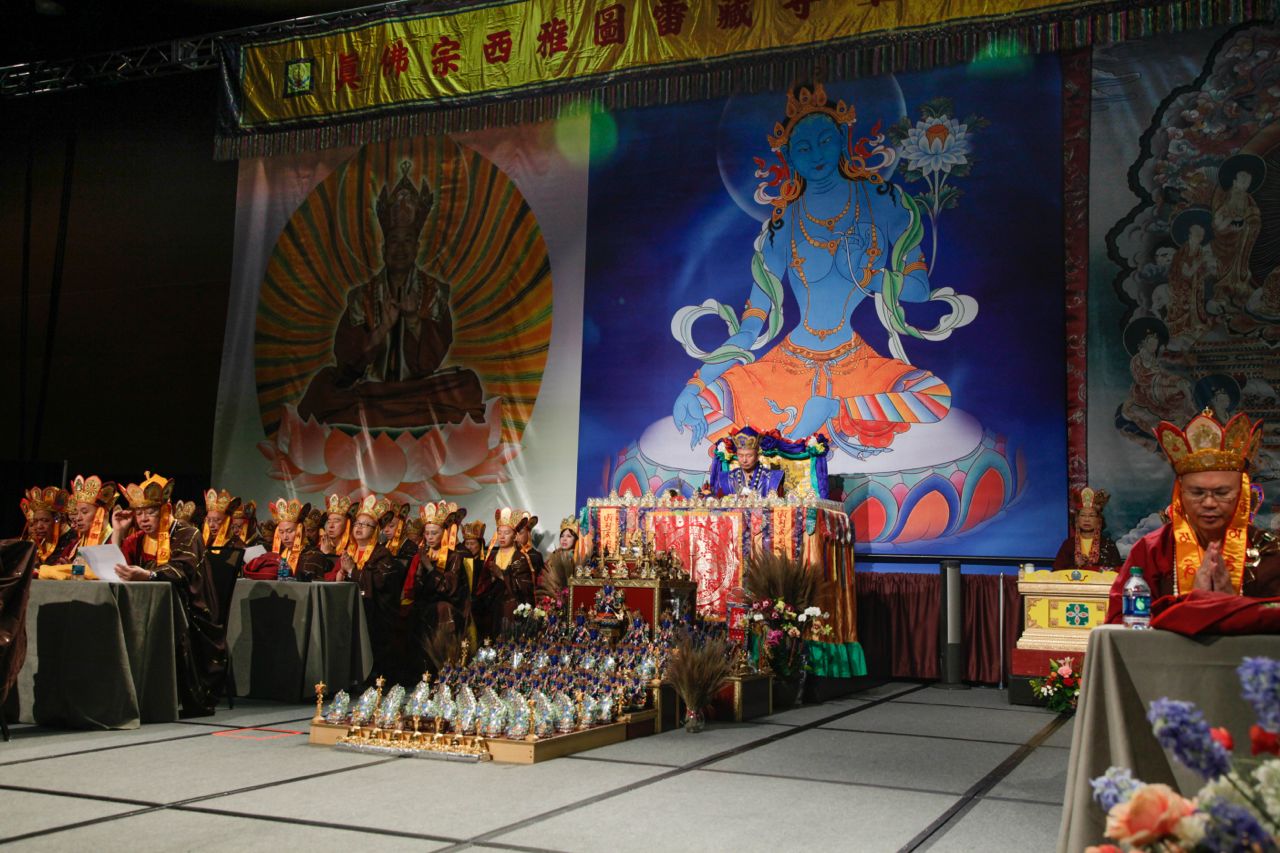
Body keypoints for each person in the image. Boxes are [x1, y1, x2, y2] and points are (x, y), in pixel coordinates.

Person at [670, 82, 968, 458]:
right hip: (788, 362)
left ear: (843, 139)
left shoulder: (883, 202)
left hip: (854, 362)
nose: (816, 155)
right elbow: (749, 329)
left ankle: (835, 411)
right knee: (706, 405)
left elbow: (920, 289)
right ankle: (780, 459)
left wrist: (870, 277)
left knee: (934, 397)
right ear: (789, 158)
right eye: (804, 148)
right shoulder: (781, 227)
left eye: (825, 140)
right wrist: (695, 385)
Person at [296, 161, 484, 429]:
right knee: (323, 385)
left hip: (419, 388)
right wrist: (381, 329)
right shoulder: (362, 296)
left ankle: (382, 415)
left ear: (416, 248)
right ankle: (401, 415)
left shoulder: (434, 292)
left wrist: (414, 319)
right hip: (371, 389)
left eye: (408, 241)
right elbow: (346, 363)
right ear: (384, 250)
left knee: (467, 383)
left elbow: (429, 363)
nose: (401, 249)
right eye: (394, 241)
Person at [1106, 409, 1280, 621]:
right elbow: (1119, 623)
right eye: (1197, 493)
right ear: (1180, 493)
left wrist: (1233, 604)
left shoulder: (1269, 552)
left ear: (1243, 493)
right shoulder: (1152, 551)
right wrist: (1191, 605)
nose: (1209, 503)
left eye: (1222, 493)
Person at [111, 472, 227, 716]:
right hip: (144, 610)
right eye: (139, 513)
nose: (143, 519)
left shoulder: (187, 533)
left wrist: (149, 575)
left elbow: (183, 569)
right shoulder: (137, 539)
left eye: (150, 512)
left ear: (165, 509)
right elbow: (115, 567)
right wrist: (118, 532)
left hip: (189, 611)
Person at [330, 494, 404, 682]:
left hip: (375, 609)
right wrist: (341, 575)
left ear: (375, 529)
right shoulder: (349, 551)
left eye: (365, 525)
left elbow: (380, 582)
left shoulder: (382, 553)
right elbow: (339, 575)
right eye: (357, 524)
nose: (359, 527)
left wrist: (352, 571)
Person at [402, 502, 469, 671]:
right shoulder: (424, 555)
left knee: (443, 609)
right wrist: (420, 569)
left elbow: (450, 588)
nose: (430, 537)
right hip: (425, 604)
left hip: (447, 604)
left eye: (434, 533)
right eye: (427, 533)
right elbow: (416, 587)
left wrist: (430, 568)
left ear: (444, 533)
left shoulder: (454, 557)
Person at [473, 508, 535, 642]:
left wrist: (502, 575)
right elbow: (482, 585)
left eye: (506, 533)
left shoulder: (519, 558)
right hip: (493, 603)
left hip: (511, 603)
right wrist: (491, 579)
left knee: (508, 608)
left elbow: (525, 588)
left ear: (514, 536)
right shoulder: (492, 556)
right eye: (499, 532)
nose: (502, 536)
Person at [1052, 487, 1122, 571]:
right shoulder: (1069, 545)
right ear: (1077, 519)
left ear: (1099, 520)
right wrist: (1075, 566)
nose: (1087, 519)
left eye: (1091, 516)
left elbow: (1117, 572)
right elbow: (1057, 572)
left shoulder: (1108, 545)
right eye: (1083, 515)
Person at [707, 427, 785, 497]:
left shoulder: (772, 478)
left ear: (758, 456)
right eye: (740, 455)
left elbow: (779, 504)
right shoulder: (727, 478)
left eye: (749, 455)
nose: (744, 460)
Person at [267, 498, 327, 580]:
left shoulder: (314, 556)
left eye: (289, 531)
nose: (285, 537)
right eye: (281, 532)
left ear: (300, 530)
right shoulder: (278, 555)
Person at [21, 486, 75, 565]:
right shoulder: (40, 541)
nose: (39, 526)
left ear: (60, 520)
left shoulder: (72, 541)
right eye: (35, 521)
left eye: (45, 520)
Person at [514, 514, 544, 587]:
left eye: (520, 533)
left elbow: (541, 580)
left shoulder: (535, 556)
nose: (516, 538)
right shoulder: (510, 555)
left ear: (528, 533)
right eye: (514, 535)